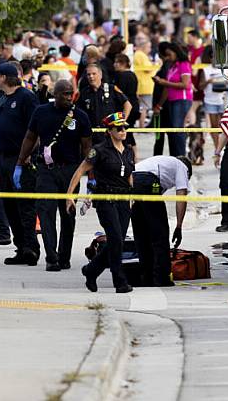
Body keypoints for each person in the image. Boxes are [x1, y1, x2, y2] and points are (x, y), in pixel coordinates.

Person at [16, 79, 92, 272]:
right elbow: (30, 137)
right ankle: (52, 257)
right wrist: (20, 162)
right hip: (46, 170)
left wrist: (91, 176)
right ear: (55, 94)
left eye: (71, 93)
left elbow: (87, 148)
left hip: (70, 170)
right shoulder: (41, 112)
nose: (69, 97)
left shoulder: (80, 116)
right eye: (65, 93)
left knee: (68, 215)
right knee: (46, 213)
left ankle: (64, 256)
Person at [67, 112, 134, 294]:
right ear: (109, 131)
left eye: (124, 128)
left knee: (117, 242)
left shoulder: (128, 150)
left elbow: (129, 175)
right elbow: (80, 170)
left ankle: (91, 270)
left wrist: (132, 197)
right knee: (116, 240)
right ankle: (119, 281)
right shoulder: (99, 150)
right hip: (106, 199)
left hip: (123, 200)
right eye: (118, 128)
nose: (123, 131)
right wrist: (70, 195)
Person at [0, 63, 41, 266]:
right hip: (4, 159)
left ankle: (31, 248)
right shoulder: (3, 99)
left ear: (4, 77)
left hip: (21, 159)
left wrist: (28, 154)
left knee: (25, 206)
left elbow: (35, 129)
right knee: (10, 206)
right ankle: (20, 247)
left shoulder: (25, 97)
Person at [131, 155, 192, 287]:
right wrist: (179, 227)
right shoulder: (181, 166)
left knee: (142, 234)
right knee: (161, 234)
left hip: (132, 180)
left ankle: (146, 277)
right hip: (147, 181)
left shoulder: (162, 165)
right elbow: (181, 196)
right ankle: (162, 278)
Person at [153, 43, 192, 157]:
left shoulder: (184, 64)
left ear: (176, 52)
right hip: (172, 101)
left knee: (177, 128)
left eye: (170, 55)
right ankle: (176, 156)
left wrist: (164, 82)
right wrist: (159, 105)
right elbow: (167, 88)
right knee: (174, 130)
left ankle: (181, 156)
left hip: (182, 100)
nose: (168, 58)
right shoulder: (172, 66)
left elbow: (185, 84)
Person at [77, 63, 131, 145]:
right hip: (91, 136)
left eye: (94, 74)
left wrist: (121, 122)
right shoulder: (84, 93)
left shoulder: (111, 89)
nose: (91, 77)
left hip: (109, 134)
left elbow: (128, 105)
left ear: (100, 75)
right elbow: (77, 111)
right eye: (88, 74)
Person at [152, 42, 173, 156]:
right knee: (161, 136)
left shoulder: (167, 66)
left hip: (164, 107)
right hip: (165, 105)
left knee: (160, 136)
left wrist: (158, 105)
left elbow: (166, 87)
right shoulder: (168, 65)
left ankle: (157, 158)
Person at [133, 34, 155, 127]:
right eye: (148, 47)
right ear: (144, 47)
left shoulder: (139, 55)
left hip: (143, 84)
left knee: (143, 107)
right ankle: (142, 126)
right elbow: (148, 68)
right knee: (144, 108)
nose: (149, 49)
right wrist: (156, 64)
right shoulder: (140, 55)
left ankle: (142, 125)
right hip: (145, 85)